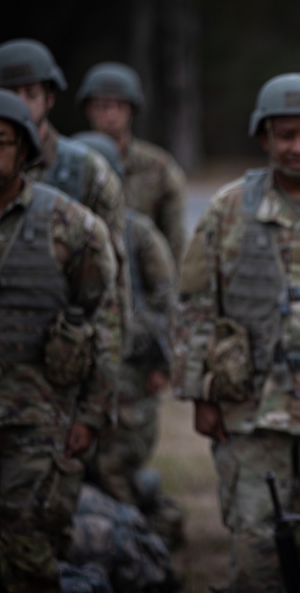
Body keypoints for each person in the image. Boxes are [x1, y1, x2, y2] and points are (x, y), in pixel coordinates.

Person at [173, 72, 300, 592]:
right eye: (286, 135)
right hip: (250, 409)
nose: (298, 147)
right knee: (255, 543)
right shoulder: (228, 209)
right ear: (265, 138)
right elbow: (195, 305)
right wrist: (200, 394)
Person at [0, 87, 118, 592]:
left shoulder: (72, 225)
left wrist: (91, 414)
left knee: (31, 556)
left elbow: (101, 322)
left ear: (24, 149)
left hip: (40, 421)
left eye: (0, 142)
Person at [71, 131, 185, 548]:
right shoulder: (63, 229)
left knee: (117, 465)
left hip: (132, 373)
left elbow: (167, 300)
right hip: (78, 370)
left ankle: (137, 547)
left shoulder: (139, 234)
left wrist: (162, 364)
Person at [77, 61, 189, 264]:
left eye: (119, 106)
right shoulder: (74, 161)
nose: (111, 115)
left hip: (143, 269)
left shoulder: (157, 166)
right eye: (102, 106)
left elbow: (175, 238)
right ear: (89, 109)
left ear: (132, 109)